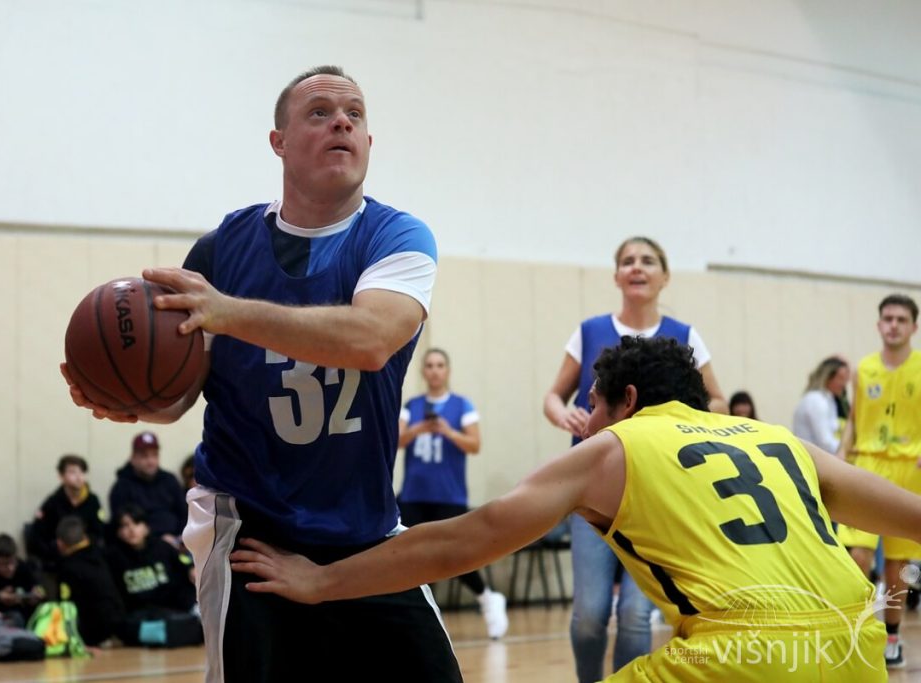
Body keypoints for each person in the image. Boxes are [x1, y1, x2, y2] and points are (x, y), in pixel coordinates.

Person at [61, 65, 460, 682]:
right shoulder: (221, 249)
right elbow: (183, 393)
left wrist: (229, 311)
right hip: (248, 526)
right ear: (279, 141)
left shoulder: (396, 236)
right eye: (320, 112)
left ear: (369, 141)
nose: (342, 122)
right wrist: (131, 401)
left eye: (354, 114)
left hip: (367, 528)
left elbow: (371, 340)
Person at [231, 336, 919, 681]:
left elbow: (460, 542)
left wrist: (320, 581)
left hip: (743, 653)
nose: (584, 421)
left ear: (626, 401)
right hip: (854, 644)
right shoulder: (780, 441)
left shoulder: (613, 447)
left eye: (591, 404)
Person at [542, 236, 727, 682]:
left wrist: (683, 420)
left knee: (635, 614)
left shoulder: (684, 336)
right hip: (593, 492)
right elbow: (552, 397)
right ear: (616, 276)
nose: (637, 267)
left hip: (658, 492)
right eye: (627, 261)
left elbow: (718, 401)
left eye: (647, 261)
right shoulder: (589, 331)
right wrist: (562, 413)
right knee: (589, 615)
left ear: (665, 277)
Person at [397, 347, 507, 639]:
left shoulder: (462, 406)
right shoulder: (412, 406)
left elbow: (474, 445)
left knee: (454, 556)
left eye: (440, 365)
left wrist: (447, 431)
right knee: (413, 558)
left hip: (449, 494)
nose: (434, 370)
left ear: (447, 370)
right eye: (429, 365)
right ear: (423, 371)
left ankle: (487, 598)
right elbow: (396, 440)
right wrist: (419, 429)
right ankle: (421, 620)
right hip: (413, 494)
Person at [836, 293, 921, 669]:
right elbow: (854, 420)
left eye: (901, 319)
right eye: (888, 318)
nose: (893, 325)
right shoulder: (863, 369)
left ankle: (892, 637)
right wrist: (841, 454)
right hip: (868, 464)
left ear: (914, 327)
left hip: (909, 469)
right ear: (878, 324)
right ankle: (856, 631)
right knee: (857, 555)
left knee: (898, 565)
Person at [106, 505, 202, 647]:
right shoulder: (111, 557)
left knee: (194, 612)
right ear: (118, 532)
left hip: (173, 606)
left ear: (146, 527)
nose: (132, 530)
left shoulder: (162, 547)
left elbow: (183, 563)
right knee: (126, 628)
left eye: (137, 523)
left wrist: (190, 568)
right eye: (125, 526)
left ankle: (182, 631)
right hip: (141, 613)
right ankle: (182, 632)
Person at [55, 516, 125, 647]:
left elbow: (66, 606)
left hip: (92, 632)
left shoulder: (67, 568)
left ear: (59, 543)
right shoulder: (103, 556)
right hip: (119, 621)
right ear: (85, 537)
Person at [108, 432, 187, 548]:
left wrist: (180, 538)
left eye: (154, 455)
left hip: (177, 542)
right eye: (144, 456)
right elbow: (121, 526)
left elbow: (184, 514)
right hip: (142, 547)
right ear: (133, 458)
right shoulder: (122, 487)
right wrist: (158, 541)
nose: (151, 461)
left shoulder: (169, 480)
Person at [30, 454, 106, 566]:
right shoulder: (53, 502)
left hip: (87, 557)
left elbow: (99, 531)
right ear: (61, 476)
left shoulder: (93, 501)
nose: (79, 477)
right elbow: (38, 535)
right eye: (73, 472)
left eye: (82, 472)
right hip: (59, 559)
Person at [792, 357, 851, 453]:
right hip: (810, 457)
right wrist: (847, 450)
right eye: (841, 379)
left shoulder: (828, 400)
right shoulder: (816, 401)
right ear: (827, 378)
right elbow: (825, 442)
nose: (844, 384)